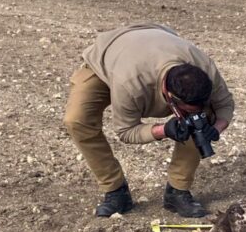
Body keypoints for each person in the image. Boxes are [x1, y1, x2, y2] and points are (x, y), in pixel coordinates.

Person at [64, 23, 235, 218]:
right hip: (107, 60)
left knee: (204, 118)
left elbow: (225, 105)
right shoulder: (129, 84)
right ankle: (116, 191)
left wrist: (215, 128)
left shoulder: (205, 69)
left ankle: (177, 192)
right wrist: (165, 130)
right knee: (77, 120)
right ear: (169, 96)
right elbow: (125, 131)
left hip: (155, 41)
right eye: (186, 110)